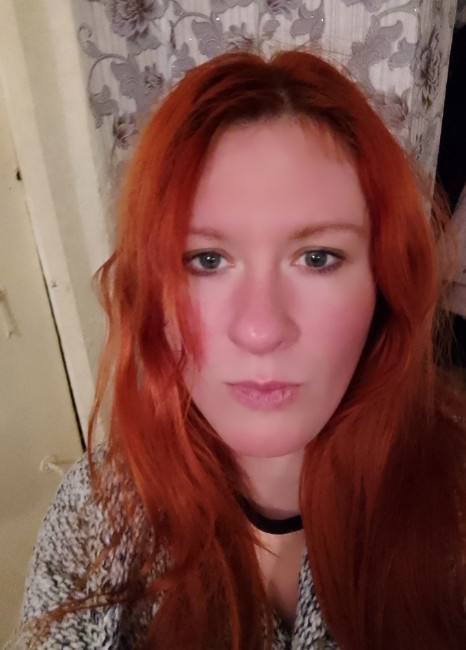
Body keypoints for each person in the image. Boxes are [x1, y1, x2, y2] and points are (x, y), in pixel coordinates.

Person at [7, 49, 466, 650]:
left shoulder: (452, 499)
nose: (260, 330)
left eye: (318, 257)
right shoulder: (96, 511)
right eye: (206, 260)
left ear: (383, 282)